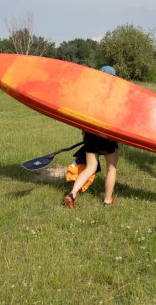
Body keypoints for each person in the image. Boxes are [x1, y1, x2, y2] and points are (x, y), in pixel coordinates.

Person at [63, 66, 119, 210]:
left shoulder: (90, 94)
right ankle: (107, 199)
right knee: (111, 168)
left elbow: (83, 117)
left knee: (90, 167)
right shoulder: (114, 96)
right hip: (107, 136)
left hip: (90, 134)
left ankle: (72, 194)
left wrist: (84, 133)